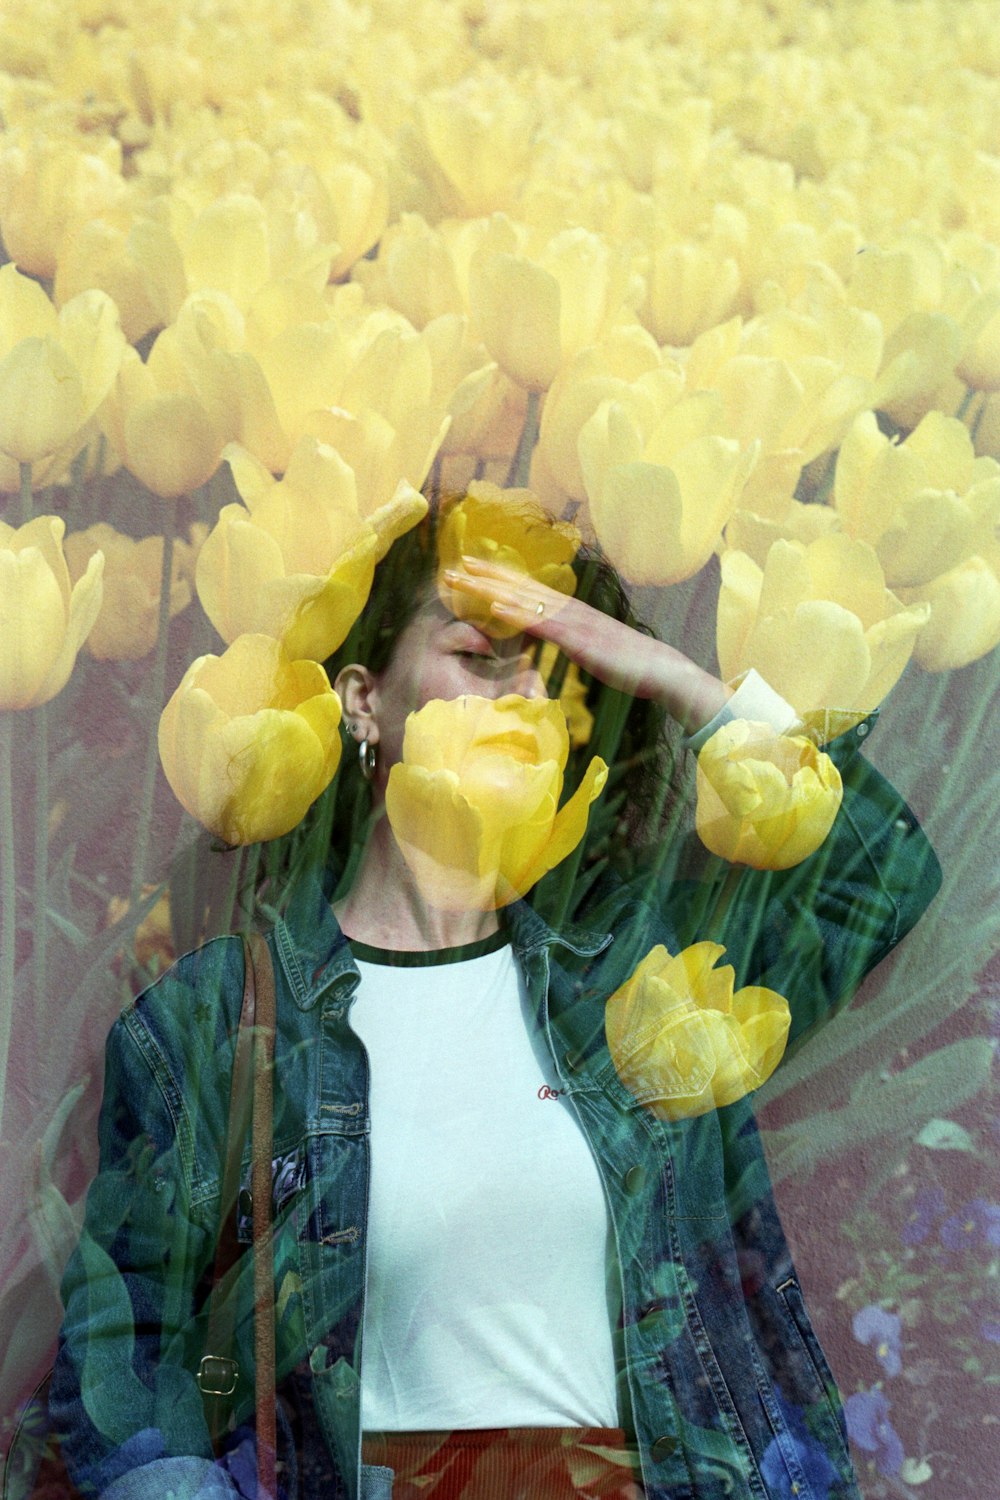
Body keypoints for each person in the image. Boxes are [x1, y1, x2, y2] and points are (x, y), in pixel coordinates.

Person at [49, 496, 940, 1500]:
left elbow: (886, 876)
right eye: (480, 654)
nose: (524, 693)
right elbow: (120, 1369)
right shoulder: (219, 1018)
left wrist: (673, 677)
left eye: (561, 681)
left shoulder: (637, 989)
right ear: (362, 701)